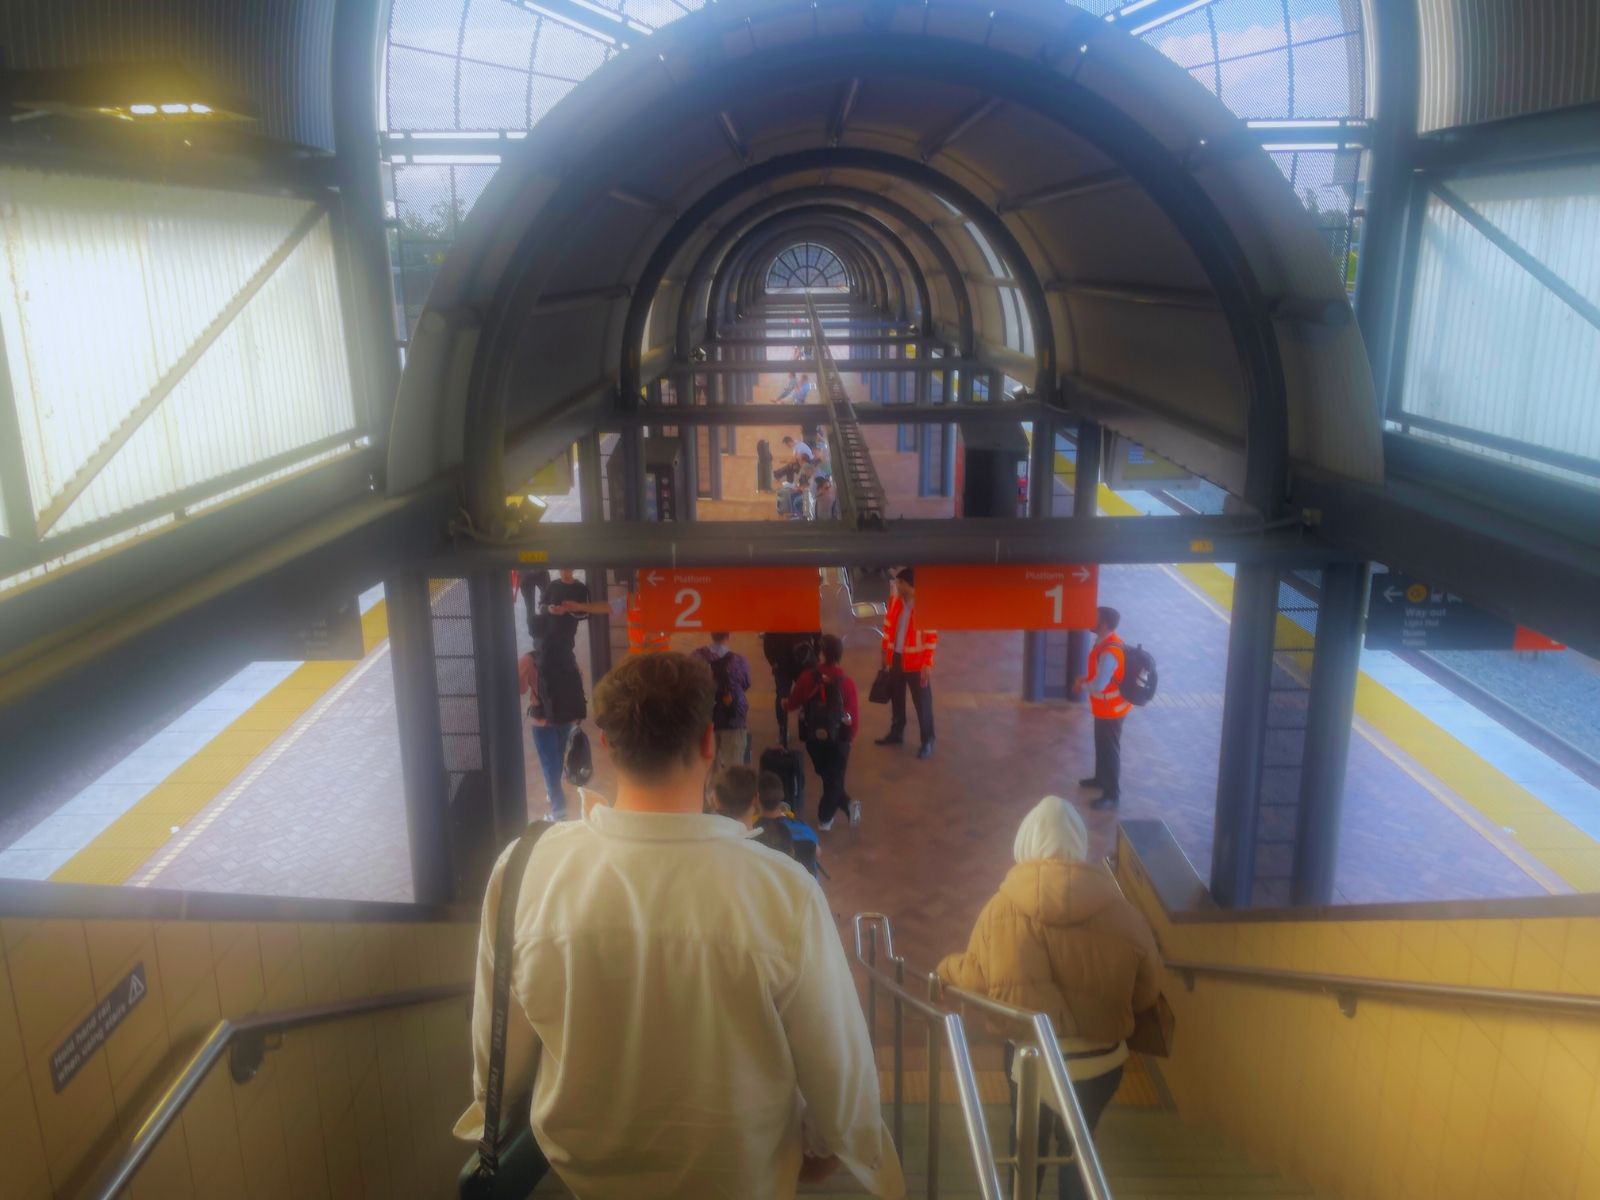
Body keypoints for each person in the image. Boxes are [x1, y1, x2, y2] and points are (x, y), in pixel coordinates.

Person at [456, 653, 905, 1199]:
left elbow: (495, 1052)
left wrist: (494, 1113)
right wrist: (829, 1144)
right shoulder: (782, 892)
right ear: (709, 742)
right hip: (743, 1178)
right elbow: (839, 1070)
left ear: (606, 743)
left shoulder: (524, 869)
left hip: (585, 1176)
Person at [937, 796, 1162, 1200]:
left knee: (1026, 1142)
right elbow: (1147, 991)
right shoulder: (1122, 911)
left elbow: (974, 979)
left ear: (1025, 843)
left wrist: (944, 970)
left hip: (1032, 1061)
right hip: (1101, 1063)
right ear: (1078, 844)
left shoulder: (1000, 908)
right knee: (1079, 1148)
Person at [525, 572, 593, 820]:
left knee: (549, 765)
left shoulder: (531, 660)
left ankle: (558, 809)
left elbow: (520, 687)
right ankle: (562, 795)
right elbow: (579, 681)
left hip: (542, 719)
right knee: (560, 757)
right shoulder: (569, 659)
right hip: (565, 714)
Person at [784, 633, 860, 831]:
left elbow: (793, 704)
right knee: (833, 778)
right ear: (840, 656)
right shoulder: (847, 683)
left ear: (822, 653)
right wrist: (850, 738)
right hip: (840, 739)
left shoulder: (807, 677)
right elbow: (854, 718)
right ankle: (828, 817)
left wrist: (785, 703)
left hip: (814, 738)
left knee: (829, 776)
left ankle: (844, 810)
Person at [875, 568, 937, 759]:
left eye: (900, 583)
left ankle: (927, 740)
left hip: (917, 664)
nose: (897, 586)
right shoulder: (895, 602)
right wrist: (885, 652)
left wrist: (927, 663)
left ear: (910, 585)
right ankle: (896, 733)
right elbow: (887, 628)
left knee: (922, 703)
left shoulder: (925, 605)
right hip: (896, 658)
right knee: (897, 698)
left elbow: (931, 637)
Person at [1075, 606, 1130, 809]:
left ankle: (1111, 794)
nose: (1090, 620)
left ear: (1104, 624)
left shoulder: (1110, 652)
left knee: (1110, 749)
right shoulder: (1104, 642)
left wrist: (1083, 685)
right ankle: (1100, 779)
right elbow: (1099, 677)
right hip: (1104, 707)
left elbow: (1099, 685)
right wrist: (1087, 679)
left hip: (1111, 710)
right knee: (1102, 744)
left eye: (1094, 618)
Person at [694, 631, 753, 775]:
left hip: (705, 717)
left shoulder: (697, 657)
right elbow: (746, 684)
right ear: (728, 636)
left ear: (711, 634)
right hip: (732, 716)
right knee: (733, 767)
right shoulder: (739, 661)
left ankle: (708, 796)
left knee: (706, 767)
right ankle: (730, 795)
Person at [754, 768, 820, 877]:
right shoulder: (803, 827)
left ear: (756, 799)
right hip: (807, 885)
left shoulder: (752, 831)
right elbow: (817, 852)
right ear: (781, 796)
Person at [762, 631, 818, 748]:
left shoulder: (775, 618)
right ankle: (809, 726)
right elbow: (818, 637)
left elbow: (767, 642)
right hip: (803, 662)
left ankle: (783, 730)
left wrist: (773, 662)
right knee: (808, 695)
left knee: (782, 696)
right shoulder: (806, 615)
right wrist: (814, 658)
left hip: (782, 664)